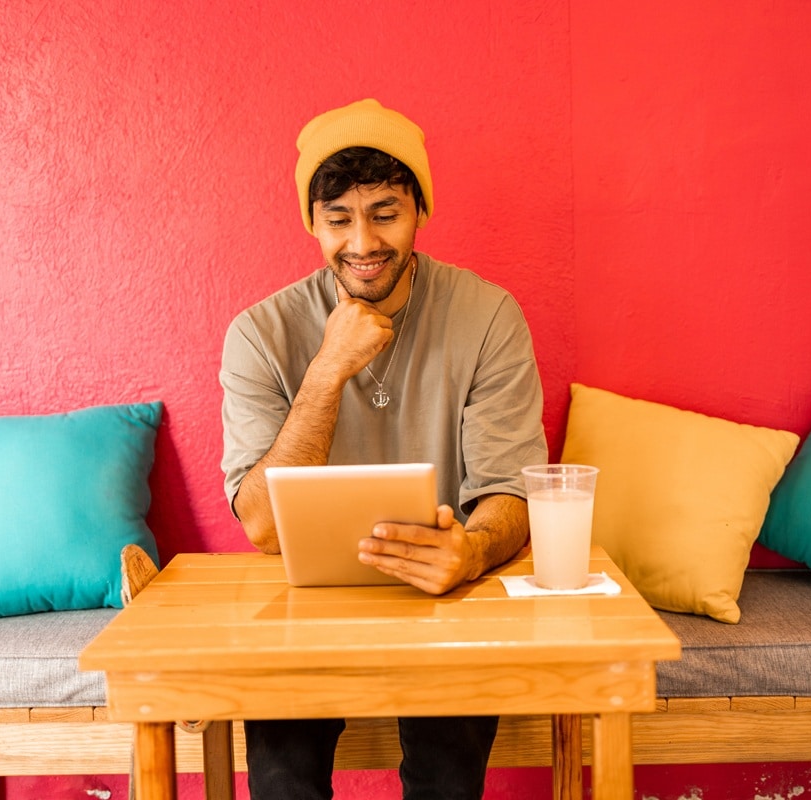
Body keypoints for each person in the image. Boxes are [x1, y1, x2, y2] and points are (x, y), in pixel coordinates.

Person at [219, 98, 548, 800]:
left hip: (446, 597)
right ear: (312, 223)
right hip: (306, 606)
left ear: (420, 210)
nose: (363, 242)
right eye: (338, 219)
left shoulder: (489, 316)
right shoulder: (258, 334)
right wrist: (326, 371)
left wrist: (473, 552)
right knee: (282, 776)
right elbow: (264, 527)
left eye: (385, 213)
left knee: (447, 773)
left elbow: (510, 492)